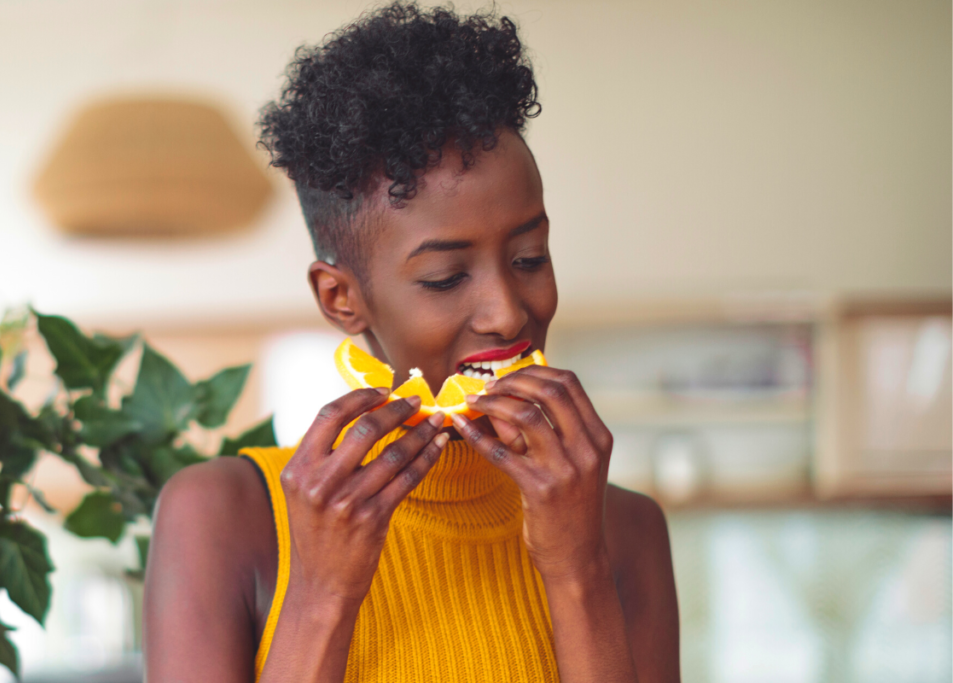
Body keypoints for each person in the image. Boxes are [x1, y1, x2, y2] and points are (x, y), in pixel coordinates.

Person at [143, 4, 679, 682]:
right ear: (342, 297)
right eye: (446, 276)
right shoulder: (222, 515)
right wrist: (322, 595)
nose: (508, 312)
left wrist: (578, 570)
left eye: (530, 257)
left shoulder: (625, 526)